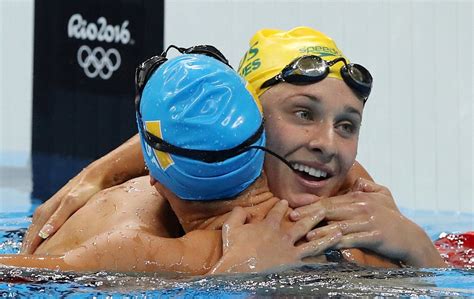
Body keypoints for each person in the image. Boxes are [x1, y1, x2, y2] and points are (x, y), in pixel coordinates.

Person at [21, 27, 445, 268]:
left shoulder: (350, 196)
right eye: (302, 114)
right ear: (252, 117)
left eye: (347, 125)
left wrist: (421, 249)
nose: (326, 145)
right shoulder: (134, 228)